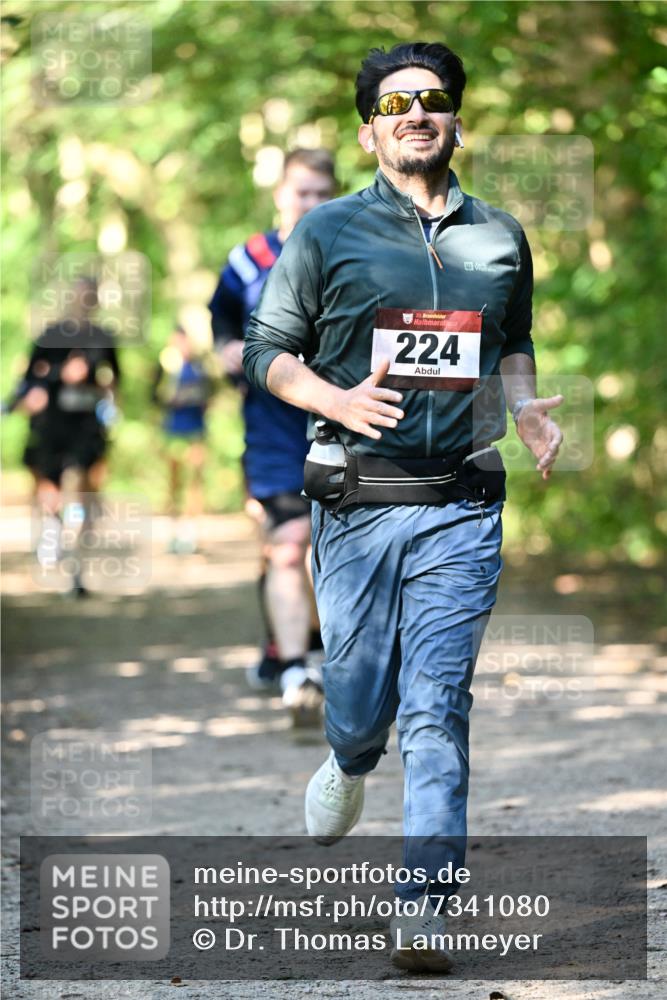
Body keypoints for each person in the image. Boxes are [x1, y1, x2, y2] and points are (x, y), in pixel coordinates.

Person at [243, 42, 563, 971]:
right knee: (359, 705)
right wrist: (335, 401)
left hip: (462, 501)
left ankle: (423, 908)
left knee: (437, 707)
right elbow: (268, 347)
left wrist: (527, 402)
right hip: (355, 500)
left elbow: (514, 337)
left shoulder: (498, 235)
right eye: (395, 103)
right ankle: (345, 758)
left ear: (456, 118)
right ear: (369, 128)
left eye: (432, 99)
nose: (415, 113)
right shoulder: (327, 233)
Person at [209, 148, 336, 726]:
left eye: (320, 193)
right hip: (272, 429)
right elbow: (222, 325)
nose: (309, 203)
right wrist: (229, 352)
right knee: (288, 544)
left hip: (345, 423)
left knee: (329, 551)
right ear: (281, 195)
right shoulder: (247, 259)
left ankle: (324, 655)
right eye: (300, 192)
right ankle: (295, 671)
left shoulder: (353, 251)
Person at [8, 276, 120, 595]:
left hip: (86, 429)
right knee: (51, 492)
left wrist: (100, 391)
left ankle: (77, 569)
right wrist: (53, 380)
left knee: (80, 488)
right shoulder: (50, 335)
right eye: (77, 297)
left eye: (89, 298)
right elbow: (30, 378)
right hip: (51, 427)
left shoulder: (103, 338)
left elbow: (114, 380)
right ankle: (51, 539)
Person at [151, 325, 218, 553]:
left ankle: (192, 534)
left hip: (196, 430)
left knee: (195, 484)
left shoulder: (201, 366)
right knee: (174, 483)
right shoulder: (166, 366)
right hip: (172, 431)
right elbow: (154, 398)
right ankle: (174, 532)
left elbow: (213, 392)